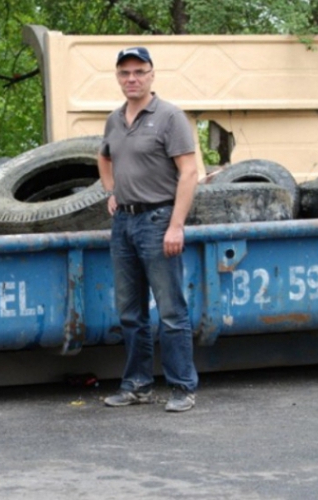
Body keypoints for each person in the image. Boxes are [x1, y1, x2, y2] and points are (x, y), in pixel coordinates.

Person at [97, 46, 199, 412]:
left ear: (152, 74)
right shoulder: (114, 119)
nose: (132, 79)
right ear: (118, 78)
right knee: (130, 312)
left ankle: (183, 388)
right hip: (123, 223)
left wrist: (176, 226)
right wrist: (111, 191)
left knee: (171, 311)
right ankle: (136, 385)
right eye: (125, 73)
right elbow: (104, 157)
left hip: (158, 222)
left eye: (139, 72)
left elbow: (189, 172)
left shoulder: (170, 117)